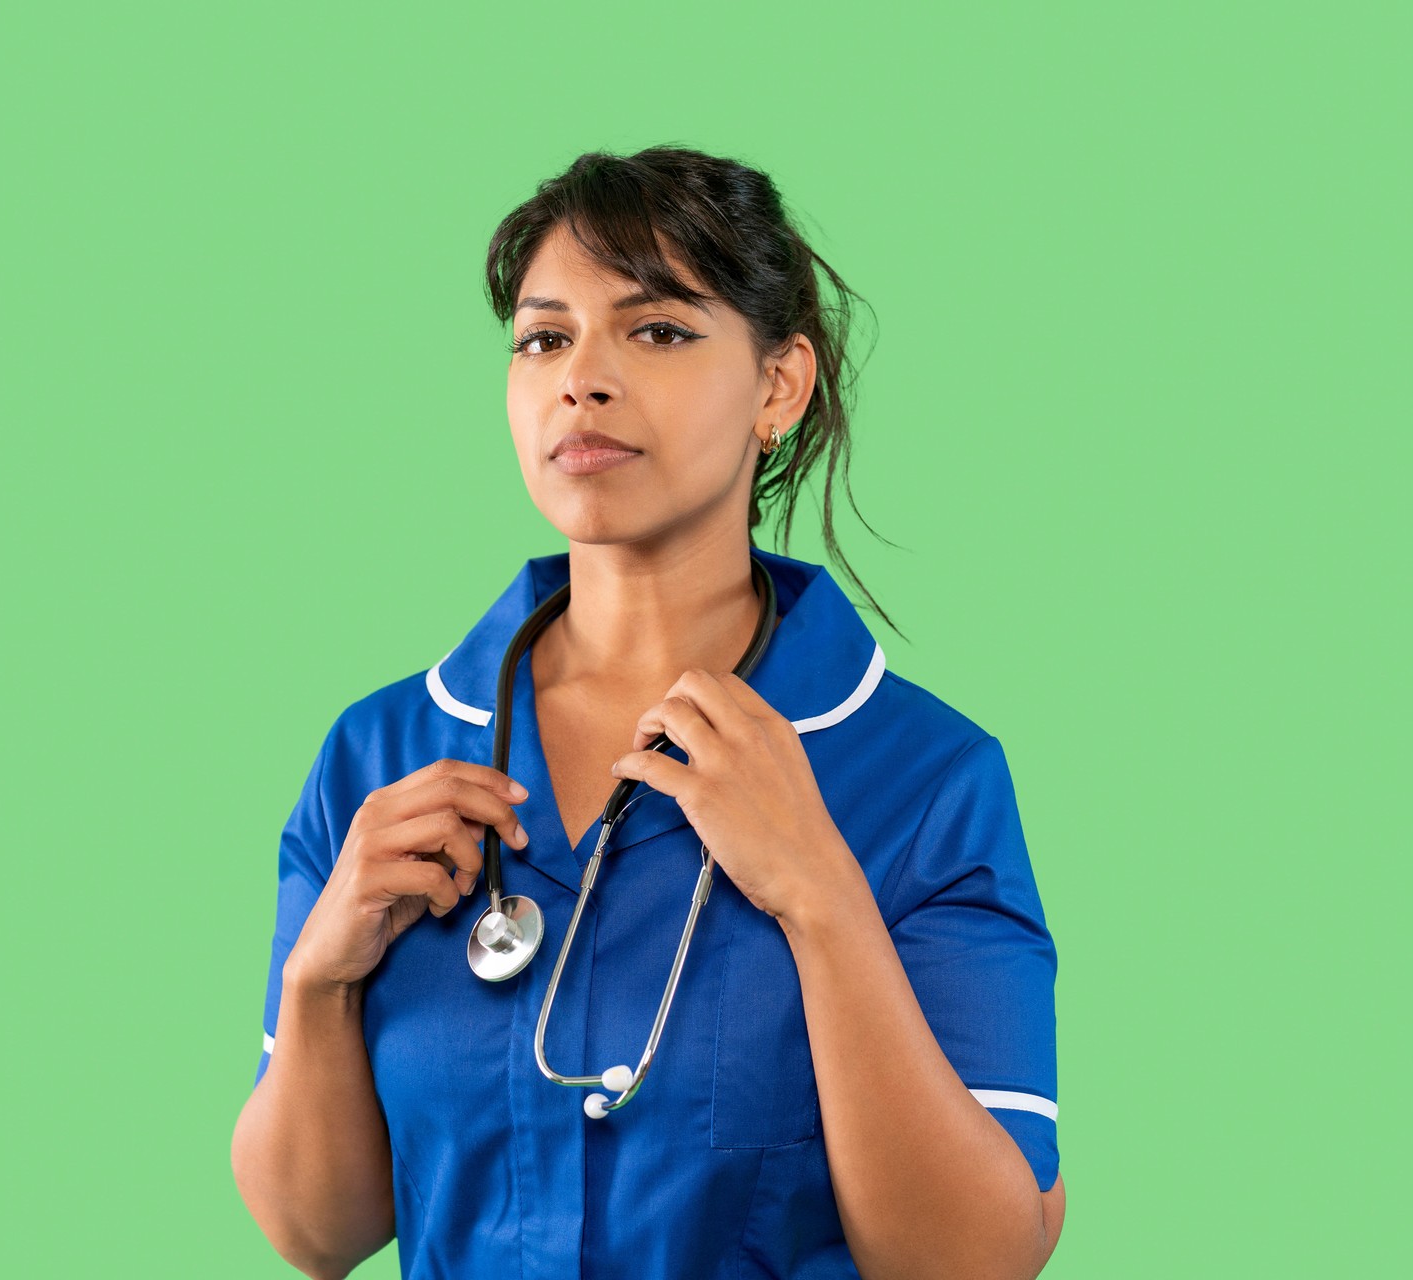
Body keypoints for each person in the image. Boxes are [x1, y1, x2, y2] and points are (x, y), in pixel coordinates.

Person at [230, 145, 1066, 1280]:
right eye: (544, 337)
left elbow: (974, 1258)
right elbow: (316, 1231)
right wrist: (317, 980)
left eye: (658, 329)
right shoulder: (379, 756)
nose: (583, 376)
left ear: (780, 385)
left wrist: (820, 892)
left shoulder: (924, 778)